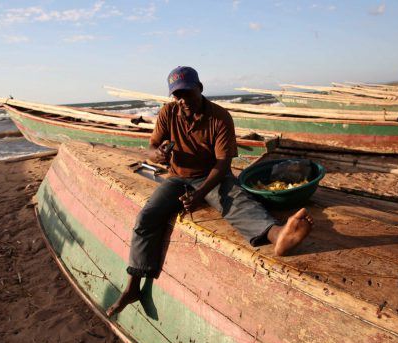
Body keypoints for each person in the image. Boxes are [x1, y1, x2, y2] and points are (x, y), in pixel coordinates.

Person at [106, 66, 313, 316]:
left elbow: (222, 163)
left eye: (187, 93)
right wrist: (157, 154)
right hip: (177, 178)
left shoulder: (219, 117)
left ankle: (279, 235)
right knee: (146, 218)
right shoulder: (167, 112)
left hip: (212, 176)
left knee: (236, 202)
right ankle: (133, 286)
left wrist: (200, 193)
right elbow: (150, 147)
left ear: (200, 88)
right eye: (177, 96)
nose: (183, 101)